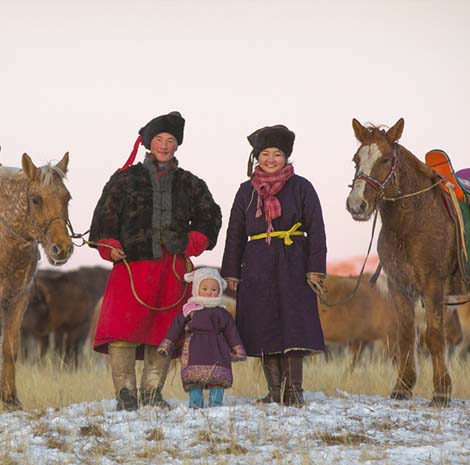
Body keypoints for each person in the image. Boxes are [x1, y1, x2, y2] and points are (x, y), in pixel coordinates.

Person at [88, 111, 222, 411]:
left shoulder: (191, 183)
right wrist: (109, 245)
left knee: (163, 331)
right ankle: (125, 393)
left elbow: (210, 217)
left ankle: (151, 392)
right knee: (123, 330)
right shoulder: (124, 179)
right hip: (131, 267)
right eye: (159, 140)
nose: (164, 145)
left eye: (170, 140)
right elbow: (103, 219)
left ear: (177, 145)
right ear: (149, 143)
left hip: (171, 268)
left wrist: (193, 242)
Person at [220, 124, 327, 407]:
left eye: (277, 154)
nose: (270, 159)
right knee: (263, 324)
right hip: (257, 263)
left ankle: (294, 392)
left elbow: (316, 228)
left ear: (286, 156)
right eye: (265, 154)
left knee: (294, 325)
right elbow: (234, 232)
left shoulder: (302, 187)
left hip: (294, 260)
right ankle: (274, 391)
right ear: (257, 157)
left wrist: (315, 267)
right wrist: (231, 271)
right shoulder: (246, 192)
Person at [157, 267, 247, 409]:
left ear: (219, 290)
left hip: (217, 350)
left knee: (218, 379)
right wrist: (167, 344)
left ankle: (216, 405)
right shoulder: (190, 310)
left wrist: (238, 349)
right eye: (205, 288)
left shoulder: (222, 312)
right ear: (196, 288)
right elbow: (176, 327)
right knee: (195, 380)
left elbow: (231, 332)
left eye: (213, 289)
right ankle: (195, 405)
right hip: (195, 349)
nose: (209, 293)